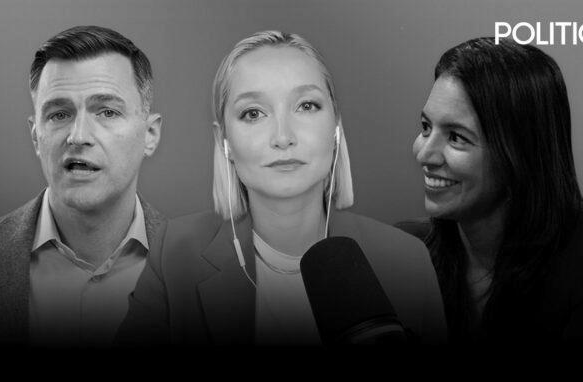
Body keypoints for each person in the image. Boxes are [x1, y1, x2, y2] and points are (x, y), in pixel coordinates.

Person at [119, 30, 446, 346]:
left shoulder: (406, 261)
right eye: (253, 113)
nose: (283, 137)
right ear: (224, 140)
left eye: (306, 106)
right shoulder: (175, 254)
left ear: (335, 126)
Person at [0, 25, 165, 347]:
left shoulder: (205, 274)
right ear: (36, 136)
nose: (78, 136)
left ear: (150, 135)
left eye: (107, 111)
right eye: (59, 114)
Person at [398, 37, 583, 343]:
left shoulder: (574, 273)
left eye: (456, 137)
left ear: (520, 152)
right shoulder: (406, 256)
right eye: (426, 127)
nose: (424, 154)